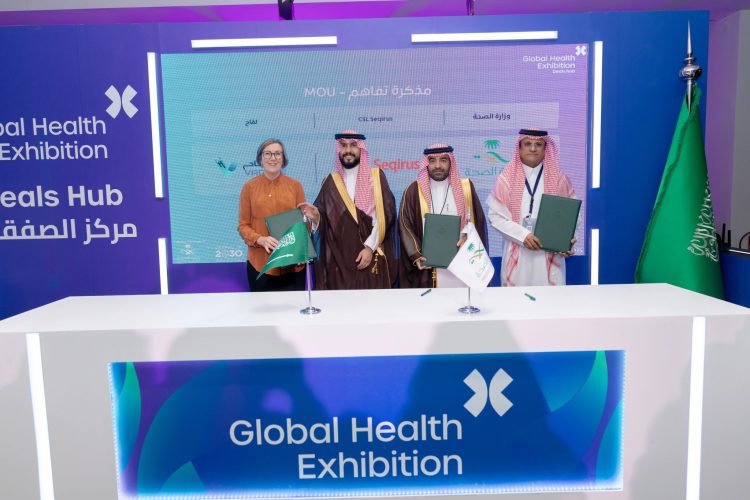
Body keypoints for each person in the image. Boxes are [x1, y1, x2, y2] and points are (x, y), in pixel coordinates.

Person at [298, 131, 396, 290]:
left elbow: (385, 215)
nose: (348, 150)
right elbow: (327, 220)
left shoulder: (376, 177)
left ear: (361, 149)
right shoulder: (331, 180)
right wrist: (316, 216)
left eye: (353, 145)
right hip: (339, 260)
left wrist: (369, 247)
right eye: (343, 145)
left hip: (370, 253)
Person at [488, 129, 577, 286]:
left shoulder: (559, 178)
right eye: (528, 144)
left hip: (550, 255)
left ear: (545, 148)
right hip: (517, 253)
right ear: (520, 148)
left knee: (550, 300)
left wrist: (567, 240)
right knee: (517, 299)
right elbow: (495, 217)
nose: (533, 149)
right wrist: (523, 235)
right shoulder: (506, 179)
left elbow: (573, 215)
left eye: (538, 144)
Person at [399, 144, 488, 288]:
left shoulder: (465, 187)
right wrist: (416, 254)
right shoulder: (413, 190)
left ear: (451, 162)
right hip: (427, 266)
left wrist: (467, 235)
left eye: (443, 160)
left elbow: (477, 220)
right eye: (432, 160)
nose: (437, 166)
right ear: (426, 163)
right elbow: (405, 224)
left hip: (461, 262)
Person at [237, 138, 307, 292]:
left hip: (292, 264)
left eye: (277, 154)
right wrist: (260, 239)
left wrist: (302, 251)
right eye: (268, 154)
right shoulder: (249, 187)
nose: (273, 158)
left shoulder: (295, 186)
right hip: (260, 264)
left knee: (293, 308)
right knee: (261, 308)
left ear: (283, 158)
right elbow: (243, 226)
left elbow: (303, 224)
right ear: (260, 159)